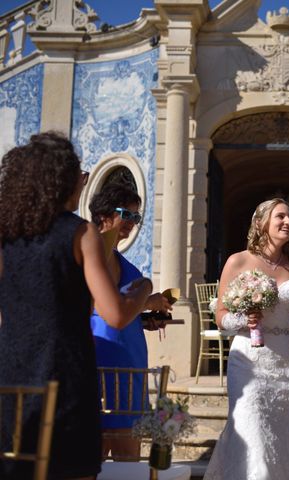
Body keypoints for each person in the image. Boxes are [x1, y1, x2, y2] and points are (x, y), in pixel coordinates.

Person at [0, 132, 152, 480]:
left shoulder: (6, 233)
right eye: (79, 176)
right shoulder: (80, 233)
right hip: (65, 373)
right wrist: (144, 289)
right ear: (64, 180)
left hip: (11, 374)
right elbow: (115, 314)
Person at [204, 198, 289, 480]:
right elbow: (220, 315)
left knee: (285, 431)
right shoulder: (238, 261)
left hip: (287, 359)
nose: (287, 222)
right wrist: (245, 319)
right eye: (280, 216)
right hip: (249, 360)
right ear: (261, 223)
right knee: (251, 426)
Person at [88, 183, 172, 460]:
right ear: (104, 213)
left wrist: (145, 319)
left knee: (129, 458)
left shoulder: (125, 264)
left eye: (137, 218)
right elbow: (99, 305)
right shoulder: (87, 255)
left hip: (130, 367)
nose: (132, 223)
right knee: (93, 454)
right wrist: (148, 299)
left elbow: (121, 311)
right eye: (127, 214)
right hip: (99, 365)